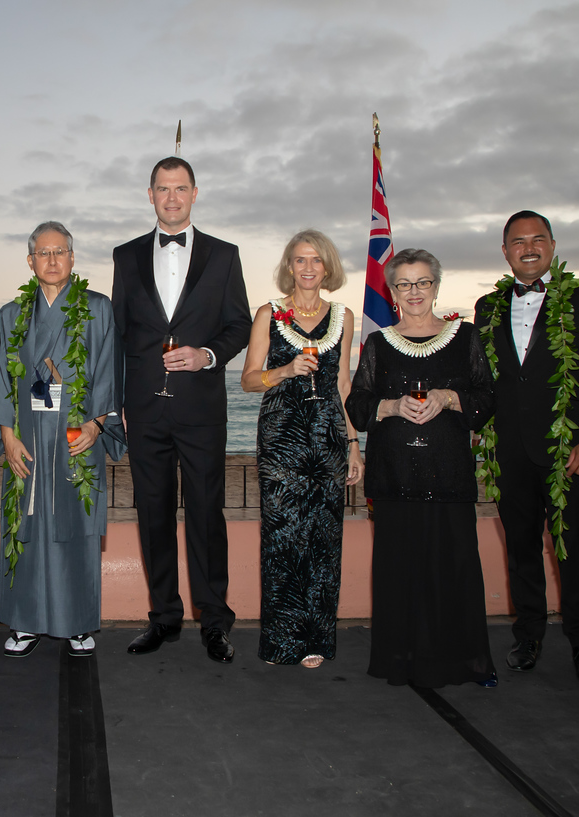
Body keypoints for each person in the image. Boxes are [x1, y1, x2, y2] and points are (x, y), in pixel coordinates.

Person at [474, 210, 579, 685]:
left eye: (538, 239)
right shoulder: (488, 306)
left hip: (568, 450)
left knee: (574, 550)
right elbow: (484, 379)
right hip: (509, 452)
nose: (529, 248)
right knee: (520, 550)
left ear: (553, 245)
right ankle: (529, 637)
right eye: (518, 242)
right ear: (505, 252)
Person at [112, 157, 252, 664]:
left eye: (181, 189)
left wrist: (206, 355)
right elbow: (118, 336)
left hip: (201, 409)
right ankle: (164, 618)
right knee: (152, 516)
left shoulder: (224, 255)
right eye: (163, 189)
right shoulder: (124, 256)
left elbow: (239, 324)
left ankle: (215, 622)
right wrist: (115, 405)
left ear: (195, 193)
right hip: (144, 410)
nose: (172, 198)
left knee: (206, 517)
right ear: (149, 194)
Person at [0, 221, 123, 657]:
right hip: (29, 438)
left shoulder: (97, 308)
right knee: (26, 524)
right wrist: (6, 434)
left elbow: (110, 371)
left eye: (60, 252)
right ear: (30, 260)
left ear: (72, 259)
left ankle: (77, 623)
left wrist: (95, 425)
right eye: (43, 252)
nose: (52, 260)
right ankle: (25, 621)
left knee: (78, 525)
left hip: (77, 437)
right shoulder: (11, 315)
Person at [346, 248, 497, 687]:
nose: (414, 292)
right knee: (400, 573)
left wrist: (449, 398)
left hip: (449, 473)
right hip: (395, 475)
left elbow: (487, 401)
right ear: (392, 291)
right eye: (404, 284)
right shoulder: (378, 344)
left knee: (456, 569)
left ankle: (468, 663)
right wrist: (391, 406)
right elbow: (357, 407)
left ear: (436, 286)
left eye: (423, 282)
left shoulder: (464, 338)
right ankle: (401, 660)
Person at [240, 229, 362, 668]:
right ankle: (280, 642)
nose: (308, 268)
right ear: (288, 267)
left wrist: (353, 444)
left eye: (316, 260)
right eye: (299, 260)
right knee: (282, 540)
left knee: (324, 541)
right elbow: (249, 378)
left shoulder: (344, 316)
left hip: (328, 437)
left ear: (327, 266)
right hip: (281, 440)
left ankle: (315, 641)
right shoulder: (268, 315)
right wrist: (287, 369)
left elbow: (344, 385)